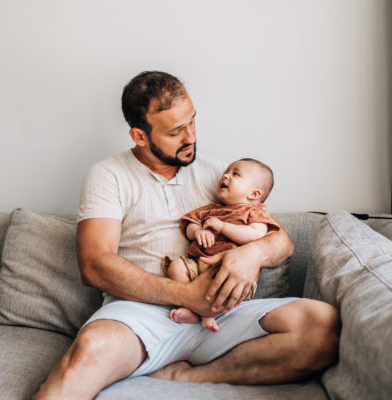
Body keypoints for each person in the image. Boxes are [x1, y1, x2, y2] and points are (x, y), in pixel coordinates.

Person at [33, 71, 340, 400]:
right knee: (87, 353)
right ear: (139, 136)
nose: (191, 136)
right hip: (140, 314)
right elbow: (95, 265)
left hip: (224, 311)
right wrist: (186, 295)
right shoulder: (108, 175)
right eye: (175, 131)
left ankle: (188, 377)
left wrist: (251, 255)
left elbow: (281, 242)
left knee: (322, 326)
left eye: (192, 121)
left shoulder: (221, 174)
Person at [163, 158, 279, 332]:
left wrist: (224, 227)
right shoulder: (211, 209)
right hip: (200, 265)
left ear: (254, 194)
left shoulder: (255, 211)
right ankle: (191, 307)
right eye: (226, 172)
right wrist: (197, 232)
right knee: (176, 266)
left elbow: (255, 234)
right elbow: (189, 224)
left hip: (235, 272)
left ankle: (207, 313)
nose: (225, 176)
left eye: (235, 174)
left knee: (225, 280)